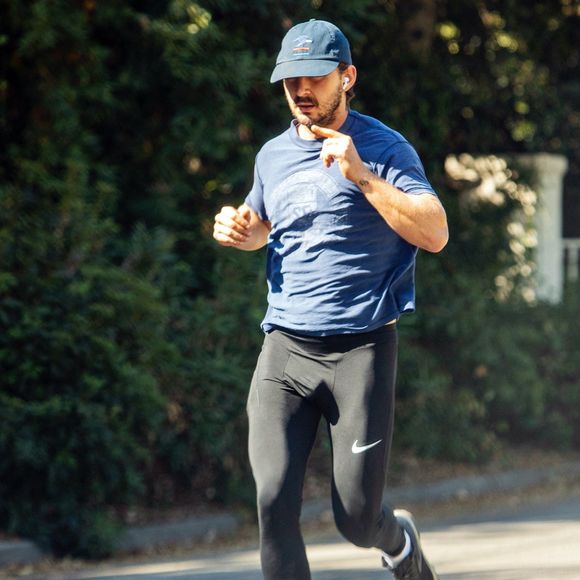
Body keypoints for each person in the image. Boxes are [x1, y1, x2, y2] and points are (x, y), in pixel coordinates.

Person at [213, 18, 448, 580]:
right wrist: (248, 232)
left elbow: (435, 232)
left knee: (357, 519)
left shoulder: (384, 148)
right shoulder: (271, 155)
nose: (300, 90)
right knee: (272, 504)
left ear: (347, 77)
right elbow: (273, 224)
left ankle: (399, 541)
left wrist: (361, 175)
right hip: (284, 353)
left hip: (360, 352)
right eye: (290, 79)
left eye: (314, 77)